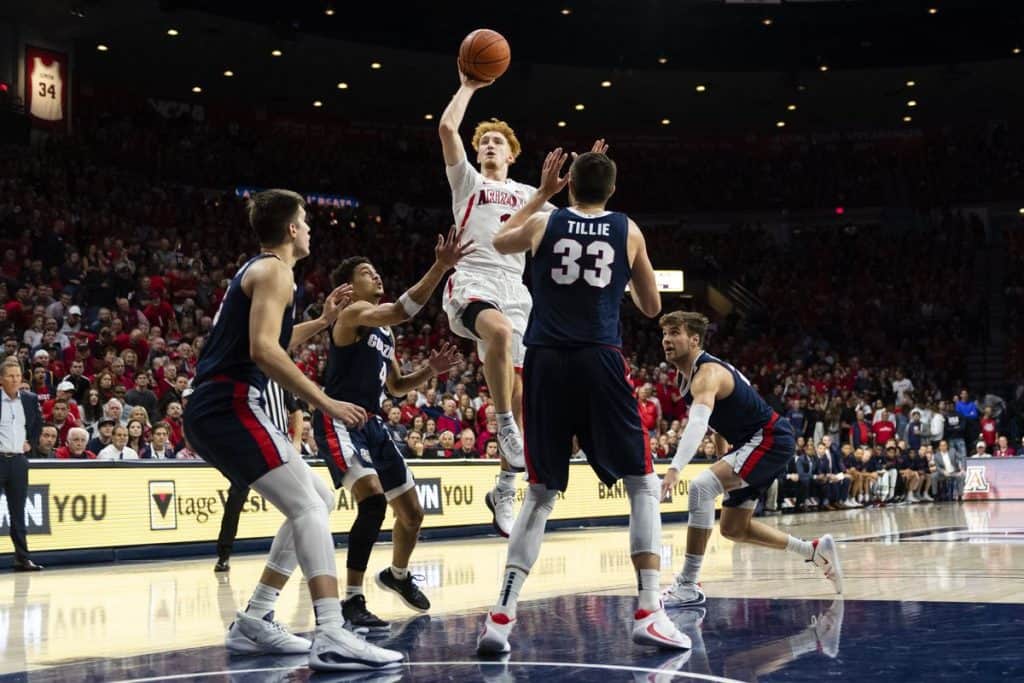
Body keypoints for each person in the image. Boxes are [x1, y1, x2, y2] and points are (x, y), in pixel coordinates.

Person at [477, 148, 690, 653]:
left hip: (546, 359)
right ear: (612, 191)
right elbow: (652, 305)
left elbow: (497, 240)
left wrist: (541, 198)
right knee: (641, 481)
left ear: (569, 185)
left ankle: (501, 618)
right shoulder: (628, 229)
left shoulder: (544, 225)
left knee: (540, 492)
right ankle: (649, 610)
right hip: (599, 357)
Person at [182, 189, 402, 671]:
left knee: (319, 499)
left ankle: (255, 618)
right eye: (305, 220)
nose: (310, 228)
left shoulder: (262, 272)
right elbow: (264, 350)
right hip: (231, 403)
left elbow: (271, 339)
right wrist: (326, 401)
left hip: (218, 404)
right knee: (308, 505)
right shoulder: (275, 270)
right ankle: (331, 631)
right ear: (291, 230)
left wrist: (322, 322)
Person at [439, 70, 592, 536]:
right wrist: (468, 85)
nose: (486, 146)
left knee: (525, 395)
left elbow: (578, 218)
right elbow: (447, 130)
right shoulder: (466, 181)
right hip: (472, 278)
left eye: (495, 142)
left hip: (515, 288)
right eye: (482, 140)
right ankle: (502, 423)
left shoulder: (530, 194)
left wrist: (587, 176)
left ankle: (505, 485)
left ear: (511, 153)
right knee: (500, 336)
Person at [313, 231, 469, 634]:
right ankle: (351, 599)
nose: (376, 276)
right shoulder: (353, 315)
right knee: (372, 500)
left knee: (413, 514)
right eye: (367, 273)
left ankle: (397, 574)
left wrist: (429, 372)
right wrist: (441, 265)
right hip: (341, 417)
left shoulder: (384, 332)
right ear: (348, 289)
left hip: (374, 424)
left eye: (376, 271)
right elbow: (401, 310)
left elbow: (396, 386)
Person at [659, 311, 842, 608]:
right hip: (754, 442)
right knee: (734, 528)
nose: (667, 339)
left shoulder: (707, 373)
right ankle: (812, 551)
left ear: (694, 340)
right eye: (664, 333)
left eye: (675, 332)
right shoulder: (688, 376)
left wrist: (675, 468)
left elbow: (697, 422)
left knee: (701, 487)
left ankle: (688, 584)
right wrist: (722, 448)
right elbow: (720, 415)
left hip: (768, 438)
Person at [0, 356, 44, 571]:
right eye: (10, 376)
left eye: (18, 375)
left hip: (18, 461)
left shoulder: (29, 398)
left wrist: (31, 442)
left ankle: (22, 558)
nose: (15, 379)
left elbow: (38, 422)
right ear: (1, 379)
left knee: (18, 511)